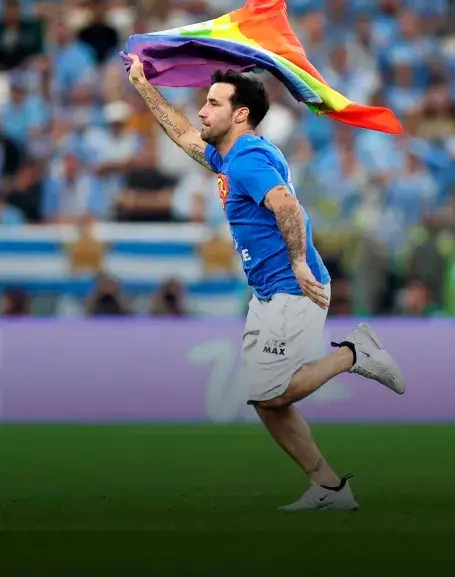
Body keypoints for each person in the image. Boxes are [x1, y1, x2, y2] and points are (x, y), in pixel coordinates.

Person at [126, 54, 406, 511]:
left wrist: (297, 262)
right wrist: (142, 84)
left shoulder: (248, 159)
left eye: (213, 103)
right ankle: (330, 488)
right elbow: (180, 134)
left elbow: (288, 207)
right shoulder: (230, 154)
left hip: (294, 287)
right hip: (270, 289)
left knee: (272, 392)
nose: (202, 110)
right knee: (264, 399)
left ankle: (354, 354)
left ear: (240, 114)